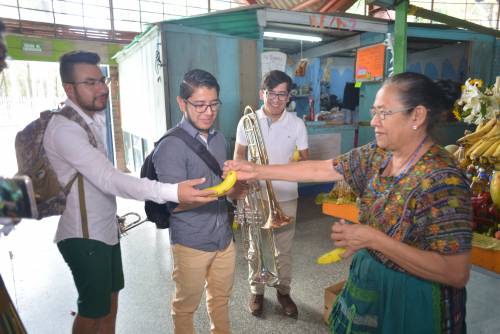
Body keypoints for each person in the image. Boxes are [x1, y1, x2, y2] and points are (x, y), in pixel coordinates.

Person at [225, 72, 471, 333]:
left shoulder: (443, 179)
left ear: (417, 116)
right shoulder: (378, 154)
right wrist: (257, 171)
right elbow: (322, 169)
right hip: (373, 283)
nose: (374, 121)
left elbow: (455, 272)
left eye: (384, 113)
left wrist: (372, 239)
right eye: (375, 111)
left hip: (413, 300)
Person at [43, 51, 217, 334]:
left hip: (104, 232)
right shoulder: (64, 129)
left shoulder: (89, 120)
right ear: (69, 89)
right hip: (83, 236)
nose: (101, 88)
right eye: (90, 83)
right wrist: (172, 190)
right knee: (92, 311)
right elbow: (111, 180)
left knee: (110, 306)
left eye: (101, 80)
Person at [153, 69, 245, 334]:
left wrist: (234, 190)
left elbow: (223, 188)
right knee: (185, 307)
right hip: (191, 242)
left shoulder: (217, 139)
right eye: (200, 104)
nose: (208, 111)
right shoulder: (169, 147)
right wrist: (219, 191)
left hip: (223, 239)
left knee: (221, 299)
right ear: (182, 103)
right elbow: (176, 205)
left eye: (214, 103)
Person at [234, 70, 309, 318]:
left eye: (282, 94)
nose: (277, 100)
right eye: (272, 94)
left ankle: (283, 291)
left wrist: (295, 160)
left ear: (288, 96)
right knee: (255, 246)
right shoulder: (247, 122)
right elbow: (239, 157)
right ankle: (256, 290)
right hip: (255, 195)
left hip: (286, 196)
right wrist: (241, 188)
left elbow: (305, 163)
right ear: (262, 93)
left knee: (283, 250)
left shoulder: (297, 124)